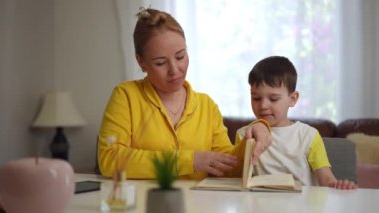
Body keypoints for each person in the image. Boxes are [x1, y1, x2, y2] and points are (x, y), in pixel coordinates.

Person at [97, 8, 271, 180]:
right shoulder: (126, 96)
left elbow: (228, 167)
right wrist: (191, 161)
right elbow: (109, 159)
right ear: (141, 61)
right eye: (160, 63)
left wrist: (255, 133)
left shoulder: (207, 106)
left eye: (180, 56)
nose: (174, 70)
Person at [236, 56, 357, 189]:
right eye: (256, 98)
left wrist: (339, 187)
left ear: (292, 99)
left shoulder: (308, 135)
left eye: (273, 98)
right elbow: (238, 179)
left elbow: (326, 178)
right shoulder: (244, 134)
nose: (263, 105)